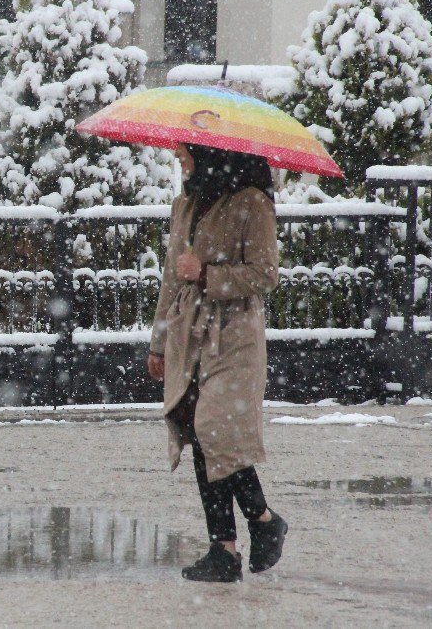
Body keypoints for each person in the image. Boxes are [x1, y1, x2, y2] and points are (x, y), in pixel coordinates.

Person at [147, 143, 288, 583]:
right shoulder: (184, 204)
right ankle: (224, 549)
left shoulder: (252, 203)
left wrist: (207, 273)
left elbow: (266, 274)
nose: (179, 159)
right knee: (197, 429)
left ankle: (263, 520)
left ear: (209, 154)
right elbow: (172, 277)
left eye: (184, 152)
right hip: (189, 332)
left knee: (215, 428)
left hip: (234, 335)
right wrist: (159, 343)